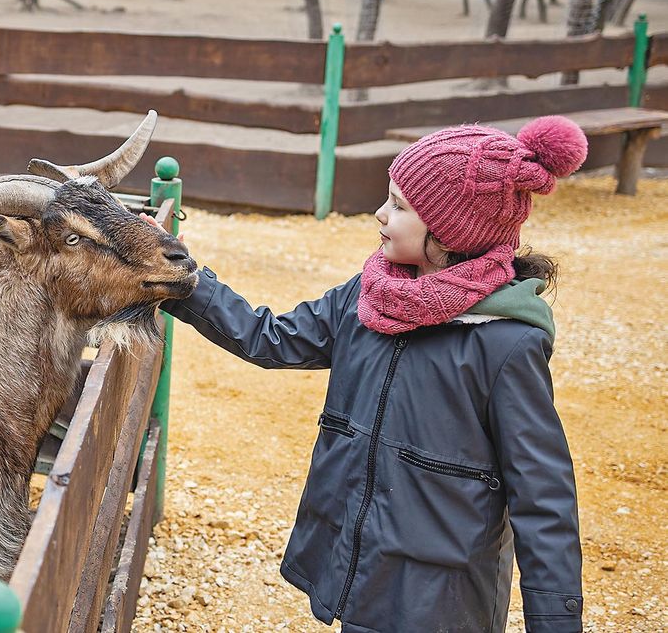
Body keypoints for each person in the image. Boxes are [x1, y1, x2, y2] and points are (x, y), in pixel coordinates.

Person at [156, 117, 588, 632]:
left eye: (400, 206)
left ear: (452, 229)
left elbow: (543, 496)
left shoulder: (505, 343)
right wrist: (183, 279)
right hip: (360, 564)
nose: (380, 214)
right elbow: (271, 338)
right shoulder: (369, 294)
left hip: (439, 598)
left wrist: (555, 621)